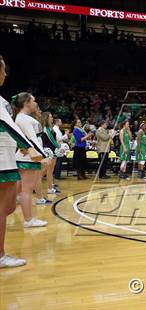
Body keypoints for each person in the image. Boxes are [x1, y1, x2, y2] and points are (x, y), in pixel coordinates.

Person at [0, 56, 43, 267]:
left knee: (8, 205)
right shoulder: (6, 107)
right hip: (5, 159)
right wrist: (32, 150)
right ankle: (0, 254)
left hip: (9, 157)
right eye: (3, 70)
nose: (5, 74)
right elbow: (11, 129)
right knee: (7, 204)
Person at [13, 92, 49, 228]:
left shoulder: (23, 118)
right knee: (26, 190)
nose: (35, 103)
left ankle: (29, 219)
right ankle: (28, 220)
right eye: (33, 101)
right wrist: (42, 157)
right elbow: (32, 140)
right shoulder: (23, 119)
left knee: (24, 189)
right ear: (26, 103)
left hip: (28, 156)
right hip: (28, 157)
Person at [41, 112, 61, 194]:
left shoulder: (51, 127)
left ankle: (50, 188)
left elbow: (54, 140)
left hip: (53, 150)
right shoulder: (45, 128)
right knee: (45, 170)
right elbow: (52, 140)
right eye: (51, 117)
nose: (52, 118)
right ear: (46, 118)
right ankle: (34, 185)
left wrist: (58, 148)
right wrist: (60, 147)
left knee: (50, 171)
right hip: (48, 150)